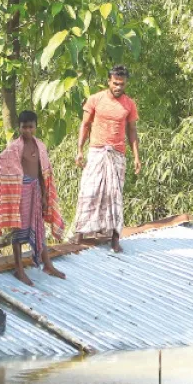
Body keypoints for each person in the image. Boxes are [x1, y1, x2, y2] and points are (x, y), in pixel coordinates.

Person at [0, 110, 66, 285]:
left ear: (35, 127)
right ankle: (19, 269)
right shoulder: (14, 147)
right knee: (18, 231)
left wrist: (43, 195)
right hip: (20, 193)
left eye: (30, 127)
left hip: (36, 190)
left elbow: (44, 172)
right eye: (23, 127)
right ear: (19, 128)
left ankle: (47, 264)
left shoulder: (40, 146)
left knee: (39, 227)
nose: (27, 130)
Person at [72, 65, 141, 253]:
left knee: (114, 195)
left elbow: (132, 131)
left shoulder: (129, 104)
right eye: (116, 83)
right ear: (109, 82)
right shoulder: (95, 100)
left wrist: (136, 157)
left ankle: (115, 239)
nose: (119, 87)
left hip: (117, 154)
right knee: (90, 190)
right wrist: (79, 150)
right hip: (96, 151)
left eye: (122, 84)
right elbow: (85, 125)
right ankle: (79, 233)